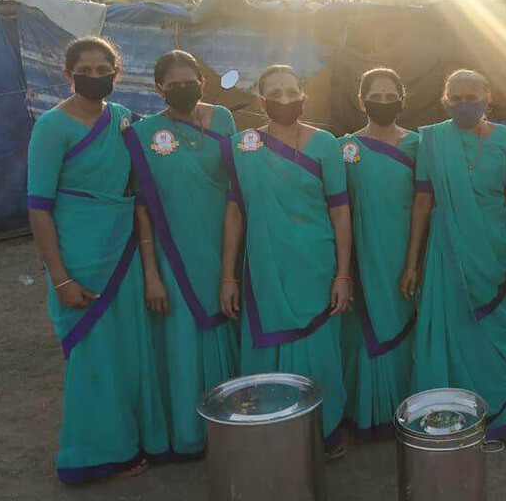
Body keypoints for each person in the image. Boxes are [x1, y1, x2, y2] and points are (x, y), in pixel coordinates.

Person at [27, 36, 167, 483]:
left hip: (123, 252)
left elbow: (149, 174)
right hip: (80, 260)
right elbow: (39, 208)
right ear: (68, 75)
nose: (93, 76)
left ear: (116, 72)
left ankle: (134, 439)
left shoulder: (124, 120)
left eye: (102, 69)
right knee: (93, 359)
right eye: (83, 71)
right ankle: (92, 456)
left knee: (128, 353)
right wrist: (60, 279)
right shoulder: (51, 127)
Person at [219, 64, 352, 458]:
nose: (284, 99)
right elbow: (235, 212)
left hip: (316, 263)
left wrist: (343, 273)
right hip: (266, 266)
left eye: (291, 91)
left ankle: (324, 431)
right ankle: (272, 434)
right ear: (261, 101)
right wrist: (228, 277)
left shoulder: (325, 143)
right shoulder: (244, 147)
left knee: (320, 347)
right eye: (274, 93)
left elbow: (340, 210)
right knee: (267, 349)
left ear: (303, 96)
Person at [401, 69, 506, 449]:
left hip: (494, 254)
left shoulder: (505, 138)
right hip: (447, 255)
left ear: (488, 98)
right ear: (445, 101)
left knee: (492, 341)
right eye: (455, 98)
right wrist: (412, 263)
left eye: (472, 97)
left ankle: (498, 416)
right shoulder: (433, 140)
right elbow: (422, 201)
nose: (464, 104)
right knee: (450, 334)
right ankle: (449, 418)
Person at [123, 50, 239, 460]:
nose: (182, 89)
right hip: (174, 258)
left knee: (229, 328)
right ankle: (190, 435)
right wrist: (151, 274)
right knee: (183, 344)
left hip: (226, 249)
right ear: (158, 89)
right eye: (172, 85)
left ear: (202, 83)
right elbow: (142, 207)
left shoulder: (223, 120)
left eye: (189, 82)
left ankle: (232, 429)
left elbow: (236, 188)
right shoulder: (143, 134)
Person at [339, 67, 420, 439]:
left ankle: (404, 409)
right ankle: (364, 414)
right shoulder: (344, 148)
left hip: (405, 253)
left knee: (402, 319)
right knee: (362, 326)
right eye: (376, 97)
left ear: (402, 102)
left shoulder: (418, 145)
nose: (383, 103)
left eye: (391, 97)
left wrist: (416, 260)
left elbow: (425, 205)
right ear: (361, 101)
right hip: (361, 255)